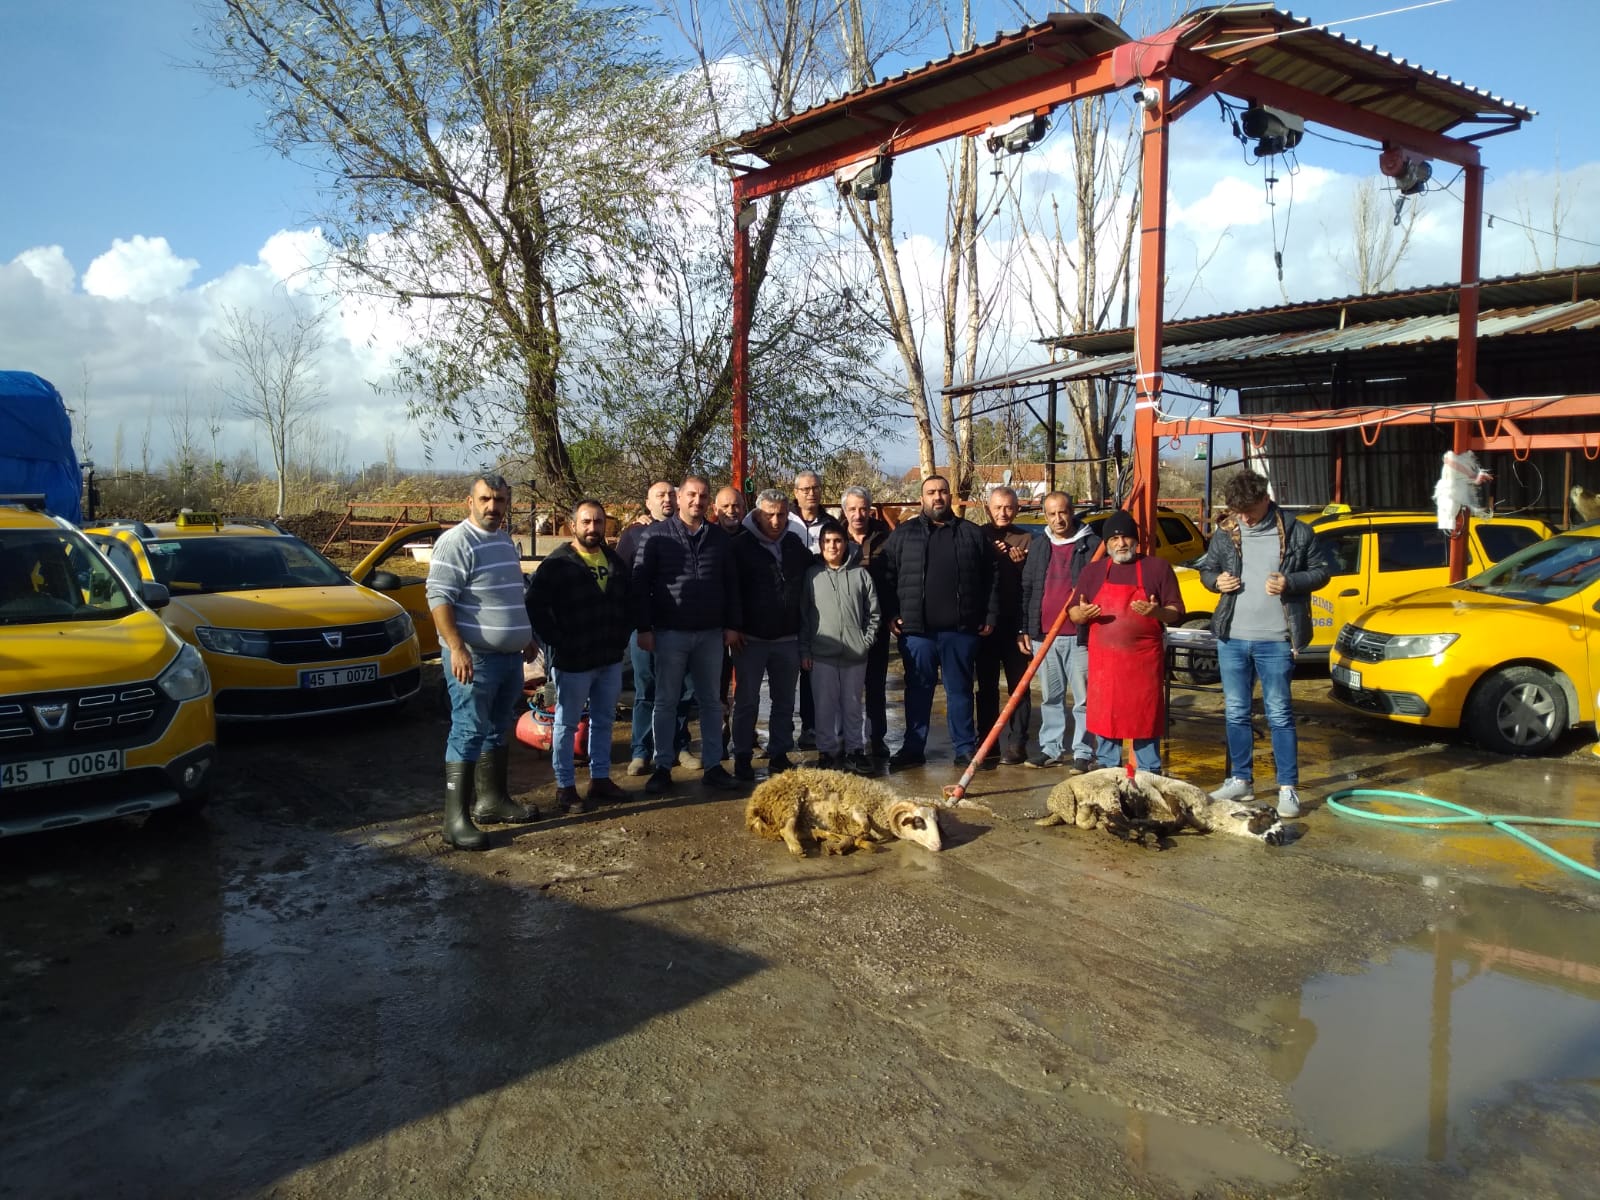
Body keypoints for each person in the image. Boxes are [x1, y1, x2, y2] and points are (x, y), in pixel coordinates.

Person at [1197, 473, 1331, 819]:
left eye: (1249, 511)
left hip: (1276, 640)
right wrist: (1216, 581)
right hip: (1232, 637)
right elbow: (1207, 569)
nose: (1244, 518)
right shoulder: (1227, 532)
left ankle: (1287, 788)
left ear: (1265, 500)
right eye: (1238, 512)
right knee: (1236, 712)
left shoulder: (1298, 532)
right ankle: (1241, 780)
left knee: (1280, 714)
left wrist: (1291, 581)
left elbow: (1322, 572)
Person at [426, 474, 540, 850]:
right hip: (474, 658)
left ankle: (492, 801)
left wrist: (526, 637)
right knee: (468, 730)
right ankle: (454, 820)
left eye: (501, 500)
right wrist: (456, 647)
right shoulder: (456, 542)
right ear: (469, 501)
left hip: (508, 658)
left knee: (496, 727)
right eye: (486, 499)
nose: (493, 507)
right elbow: (439, 597)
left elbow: (512, 594)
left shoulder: (504, 541)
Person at [632, 475, 742, 793]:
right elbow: (640, 585)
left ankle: (713, 765)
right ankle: (662, 766)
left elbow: (731, 584)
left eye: (703, 496)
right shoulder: (656, 535)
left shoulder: (719, 539)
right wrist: (644, 627)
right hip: (669, 633)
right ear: (679, 498)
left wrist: (733, 625)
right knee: (665, 702)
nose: (698, 501)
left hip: (710, 634)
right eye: (691, 495)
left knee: (710, 702)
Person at [881, 475, 998, 770]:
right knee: (918, 690)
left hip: (960, 631)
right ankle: (912, 748)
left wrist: (989, 615)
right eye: (931, 492)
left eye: (943, 492)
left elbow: (992, 577)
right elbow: (885, 576)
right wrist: (891, 613)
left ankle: (964, 749)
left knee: (959, 691)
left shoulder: (972, 534)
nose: (937, 497)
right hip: (917, 633)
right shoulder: (903, 535)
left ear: (950, 496)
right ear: (922, 498)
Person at [525, 498, 631, 816]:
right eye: (586, 522)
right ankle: (565, 786)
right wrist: (555, 640)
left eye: (598, 522)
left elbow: (627, 602)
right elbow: (534, 604)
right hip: (572, 661)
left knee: (603, 720)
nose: (592, 528)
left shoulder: (613, 560)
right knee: (566, 723)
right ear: (573, 525)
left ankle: (600, 778)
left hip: (608, 658)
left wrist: (621, 637)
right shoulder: (558, 564)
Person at [1067, 509, 1184, 774]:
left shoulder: (1157, 568)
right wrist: (1081, 614)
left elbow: (1177, 613)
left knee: (1144, 722)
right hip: (1105, 667)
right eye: (1114, 539)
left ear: (1136, 540)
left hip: (1143, 666)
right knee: (1107, 727)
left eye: (1126, 538)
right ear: (1106, 544)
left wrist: (1157, 613)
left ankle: (1149, 780)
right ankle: (1108, 778)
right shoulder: (1093, 571)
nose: (1121, 544)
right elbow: (1073, 611)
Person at [728, 490, 813, 780]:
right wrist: (734, 625)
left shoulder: (793, 542)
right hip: (750, 638)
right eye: (769, 515)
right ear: (757, 514)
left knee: (785, 701)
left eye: (780, 514)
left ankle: (779, 753)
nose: (776, 520)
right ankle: (741, 755)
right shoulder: (741, 545)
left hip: (787, 637)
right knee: (747, 700)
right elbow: (731, 589)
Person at [1018, 491, 1102, 771]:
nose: (1058, 519)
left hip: (1080, 637)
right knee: (1051, 697)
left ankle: (1083, 751)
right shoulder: (1041, 546)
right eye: (1052, 514)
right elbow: (1028, 588)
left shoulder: (1093, 546)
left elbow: (1101, 591)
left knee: (1084, 699)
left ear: (1072, 511)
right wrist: (1026, 628)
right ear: (1046, 515)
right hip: (1045, 635)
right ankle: (1051, 749)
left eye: (1063, 512)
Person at [617, 480, 690, 775]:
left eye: (672, 494)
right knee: (645, 688)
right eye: (660, 495)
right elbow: (620, 579)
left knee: (683, 689)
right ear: (647, 503)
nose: (667, 499)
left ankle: (680, 746)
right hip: (644, 627)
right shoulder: (634, 534)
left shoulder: (689, 532)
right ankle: (641, 751)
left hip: (680, 624)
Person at [801, 524, 881, 773]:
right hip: (821, 653)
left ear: (845, 543)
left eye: (837, 541)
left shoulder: (860, 575)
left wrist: (865, 641)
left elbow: (874, 613)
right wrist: (805, 650)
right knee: (824, 706)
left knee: (853, 704)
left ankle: (855, 750)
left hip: (854, 655)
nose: (832, 546)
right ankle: (826, 751)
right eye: (827, 541)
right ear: (821, 545)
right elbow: (804, 616)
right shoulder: (812, 576)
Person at [974, 486, 1035, 767]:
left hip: (1015, 626)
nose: (1003, 513)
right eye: (998, 507)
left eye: (1009, 507)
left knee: (1018, 687)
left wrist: (1021, 565)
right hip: (986, 625)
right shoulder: (979, 536)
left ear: (1017, 509)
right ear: (988, 508)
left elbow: (1034, 583)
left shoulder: (1027, 539)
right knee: (986, 687)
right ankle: (987, 741)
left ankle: (1017, 742)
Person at [839, 486, 894, 758]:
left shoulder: (887, 537)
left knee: (875, 685)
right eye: (852, 509)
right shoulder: (833, 537)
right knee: (843, 687)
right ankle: (843, 738)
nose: (858, 514)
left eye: (863, 509)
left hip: (877, 624)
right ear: (844, 511)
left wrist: (893, 614)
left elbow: (896, 579)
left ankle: (877, 737)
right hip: (842, 625)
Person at [788, 469, 829, 749]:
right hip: (785, 606)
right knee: (783, 673)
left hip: (817, 607)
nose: (810, 493)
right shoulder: (782, 519)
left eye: (815, 488)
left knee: (810, 669)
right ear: (796, 493)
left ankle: (811, 727)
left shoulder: (831, 523)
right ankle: (777, 731)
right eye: (805, 489)